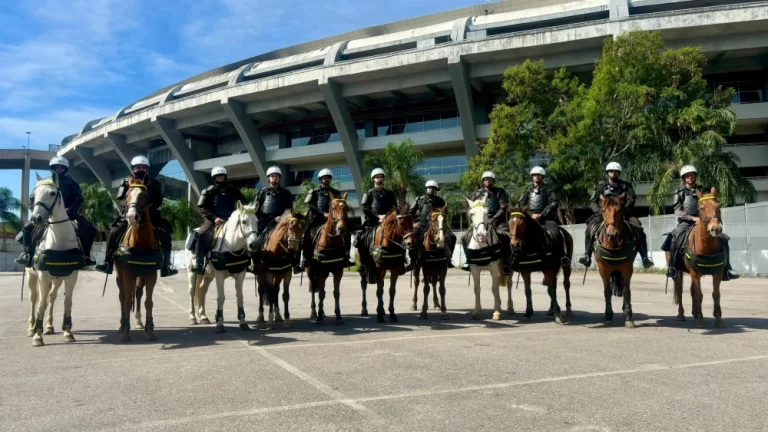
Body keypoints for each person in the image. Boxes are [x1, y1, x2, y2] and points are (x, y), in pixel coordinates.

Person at [94, 156, 177, 277]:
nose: (141, 169)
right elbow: (121, 199)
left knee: (166, 235)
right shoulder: (126, 182)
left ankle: (166, 266)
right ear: (133, 169)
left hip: (150, 215)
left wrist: (148, 208)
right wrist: (129, 208)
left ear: (147, 169)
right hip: (130, 213)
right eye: (138, 167)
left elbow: (159, 199)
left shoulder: (154, 183)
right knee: (113, 233)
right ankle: (107, 263)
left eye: (143, 167)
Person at [662, 165, 739, 280]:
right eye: (687, 176)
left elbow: (711, 205)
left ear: (695, 177)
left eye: (692, 175)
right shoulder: (679, 193)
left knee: (723, 238)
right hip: (686, 222)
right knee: (674, 237)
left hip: (706, 222)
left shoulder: (704, 190)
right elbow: (678, 210)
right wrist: (693, 218)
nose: (690, 178)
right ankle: (673, 267)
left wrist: (710, 218)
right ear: (683, 179)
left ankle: (726, 269)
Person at [16, 156, 97, 267]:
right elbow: (32, 200)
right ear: (53, 168)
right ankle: (27, 255)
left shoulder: (72, 183)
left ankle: (86, 256)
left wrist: (70, 210)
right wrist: (37, 211)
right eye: (56, 167)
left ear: (65, 169)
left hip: (69, 215)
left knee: (90, 229)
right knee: (26, 228)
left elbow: (78, 200)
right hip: (45, 215)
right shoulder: (44, 183)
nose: (59, 169)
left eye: (61, 167)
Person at [578, 162, 654, 269]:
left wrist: (624, 210)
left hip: (623, 213)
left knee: (638, 228)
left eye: (616, 172)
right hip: (603, 214)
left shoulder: (625, 185)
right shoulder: (600, 186)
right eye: (611, 171)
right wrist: (600, 211)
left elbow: (631, 199)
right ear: (607, 173)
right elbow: (593, 201)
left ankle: (645, 258)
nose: (613, 173)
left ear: (619, 173)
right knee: (590, 228)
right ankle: (587, 255)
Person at [193, 166, 246, 274]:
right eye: (218, 177)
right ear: (214, 178)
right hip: (213, 220)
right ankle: (199, 264)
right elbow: (201, 206)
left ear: (225, 177)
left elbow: (244, 202)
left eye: (222, 176)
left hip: (231, 220)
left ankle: (248, 262)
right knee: (201, 234)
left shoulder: (233, 189)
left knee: (248, 234)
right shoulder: (208, 190)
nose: (220, 178)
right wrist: (214, 218)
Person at [301, 168, 353, 269]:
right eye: (324, 178)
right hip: (317, 218)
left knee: (347, 233)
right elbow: (310, 204)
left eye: (328, 178)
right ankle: (306, 258)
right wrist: (323, 213)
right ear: (320, 179)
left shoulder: (335, 192)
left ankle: (347, 256)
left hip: (333, 219)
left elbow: (338, 205)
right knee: (306, 234)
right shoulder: (314, 191)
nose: (326, 179)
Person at [461, 171, 510, 272]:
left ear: (493, 181)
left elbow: (503, 207)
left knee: (506, 237)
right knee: (463, 237)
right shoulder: (477, 193)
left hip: (497, 221)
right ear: (483, 181)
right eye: (486, 179)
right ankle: (468, 261)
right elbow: (472, 206)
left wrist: (493, 218)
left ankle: (506, 263)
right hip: (480, 221)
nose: (488, 181)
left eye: (490, 179)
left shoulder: (499, 191)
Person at [356, 168, 399, 274]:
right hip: (372, 222)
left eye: (381, 177)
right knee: (360, 237)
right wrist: (377, 216)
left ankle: (402, 260)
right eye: (377, 177)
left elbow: (394, 207)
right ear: (373, 179)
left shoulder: (390, 193)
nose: (379, 179)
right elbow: (365, 208)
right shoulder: (368, 193)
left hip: (388, 221)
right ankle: (362, 263)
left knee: (401, 235)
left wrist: (387, 217)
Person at [253, 166, 294, 269]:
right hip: (266, 221)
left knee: (295, 238)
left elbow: (289, 208)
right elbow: (257, 210)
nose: (274, 178)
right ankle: (256, 263)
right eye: (272, 176)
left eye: (276, 176)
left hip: (282, 222)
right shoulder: (262, 192)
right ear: (268, 178)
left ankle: (295, 263)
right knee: (256, 240)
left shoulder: (286, 192)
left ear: (279, 178)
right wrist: (269, 219)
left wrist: (282, 217)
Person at [409, 180, 456, 268]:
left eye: (434, 188)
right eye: (429, 188)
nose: (431, 190)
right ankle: (412, 261)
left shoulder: (441, 201)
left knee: (452, 237)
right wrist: (413, 223)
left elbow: (445, 214)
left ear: (436, 190)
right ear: (426, 189)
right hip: (421, 226)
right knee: (412, 240)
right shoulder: (419, 200)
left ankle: (449, 259)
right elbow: (410, 213)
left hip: (437, 226)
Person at [517, 166, 560, 239]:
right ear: (532, 176)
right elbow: (521, 204)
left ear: (542, 176)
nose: (536, 176)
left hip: (547, 219)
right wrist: (531, 215)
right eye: (534, 175)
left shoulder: (549, 189)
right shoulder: (527, 190)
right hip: (530, 219)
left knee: (556, 234)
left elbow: (554, 203)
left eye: (538, 175)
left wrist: (541, 215)